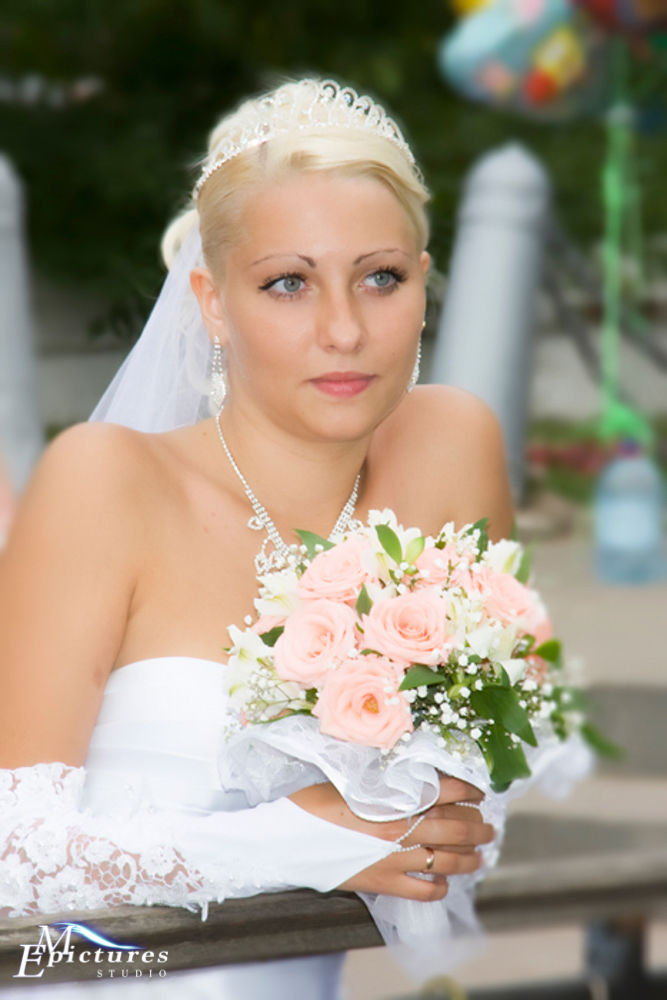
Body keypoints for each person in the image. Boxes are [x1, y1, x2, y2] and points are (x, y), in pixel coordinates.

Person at [0, 78, 512, 998]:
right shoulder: (105, 480)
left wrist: (410, 828)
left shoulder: (443, 458)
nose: (343, 330)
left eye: (380, 277)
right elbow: (10, 857)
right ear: (211, 302)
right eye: (287, 283)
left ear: (423, 284)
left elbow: (463, 827)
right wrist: (302, 840)